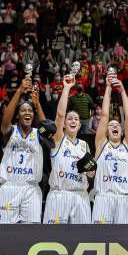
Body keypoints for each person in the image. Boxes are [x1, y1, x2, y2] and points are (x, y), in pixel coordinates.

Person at [43, 75, 95, 224]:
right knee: (55, 239)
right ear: (64, 125)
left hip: (81, 196)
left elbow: (91, 174)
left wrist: (90, 168)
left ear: (79, 125)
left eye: (76, 119)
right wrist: (66, 88)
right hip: (60, 195)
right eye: (70, 118)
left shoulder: (85, 146)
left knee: (82, 240)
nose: (73, 121)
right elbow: (59, 115)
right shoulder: (59, 139)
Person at [0, 78, 46, 224]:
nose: (27, 112)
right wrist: (19, 91)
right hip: (9, 187)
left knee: (31, 233)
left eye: (30, 111)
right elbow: (5, 121)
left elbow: (48, 129)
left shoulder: (38, 133)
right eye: (23, 110)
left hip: (31, 188)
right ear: (17, 115)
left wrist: (37, 104)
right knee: (5, 232)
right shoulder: (10, 131)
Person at [91, 76, 128, 224]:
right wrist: (109, 88)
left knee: (124, 243)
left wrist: (122, 91)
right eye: (111, 125)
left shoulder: (127, 146)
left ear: (122, 131)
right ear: (105, 130)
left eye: (117, 125)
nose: (115, 126)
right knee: (99, 241)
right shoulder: (101, 144)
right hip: (103, 199)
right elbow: (104, 116)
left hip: (124, 200)